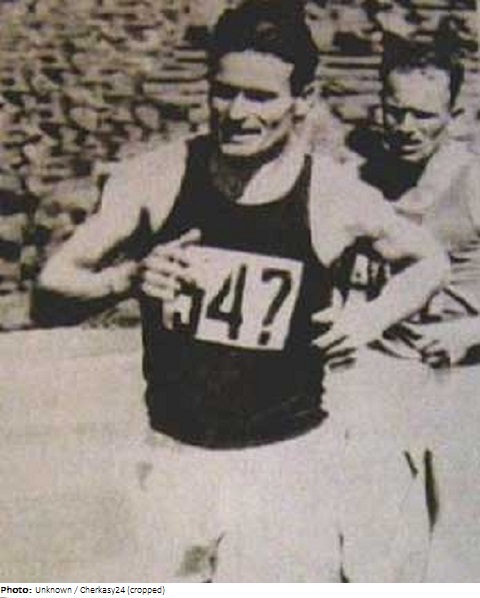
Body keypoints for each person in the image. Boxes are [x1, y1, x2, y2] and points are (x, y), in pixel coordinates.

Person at [34, 0, 448, 582]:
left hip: (287, 461)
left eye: (261, 98)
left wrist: (370, 319)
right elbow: (50, 289)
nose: (237, 114)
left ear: (303, 99)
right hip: (173, 456)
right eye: (223, 92)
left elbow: (428, 261)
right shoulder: (156, 178)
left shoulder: (333, 195)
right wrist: (127, 279)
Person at [346, 30, 480, 581]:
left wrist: (471, 331)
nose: (405, 128)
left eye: (424, 116)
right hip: (384, 373)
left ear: (455, 116)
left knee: (459, 548)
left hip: (463, 379)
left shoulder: (473, 180)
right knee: (374, 543)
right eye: (395, 111)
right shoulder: (367, 178)